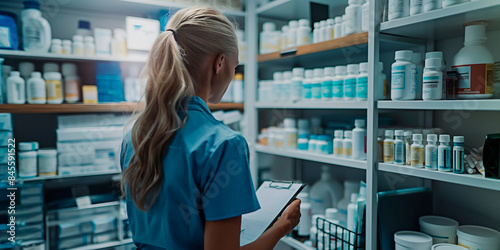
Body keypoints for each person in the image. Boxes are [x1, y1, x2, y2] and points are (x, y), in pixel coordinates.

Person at [120, 6, 301, 250]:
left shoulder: (136, 134)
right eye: (234, 66)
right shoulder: (224, 144)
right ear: (219, 63)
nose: (231, 73)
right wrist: (282, 226)